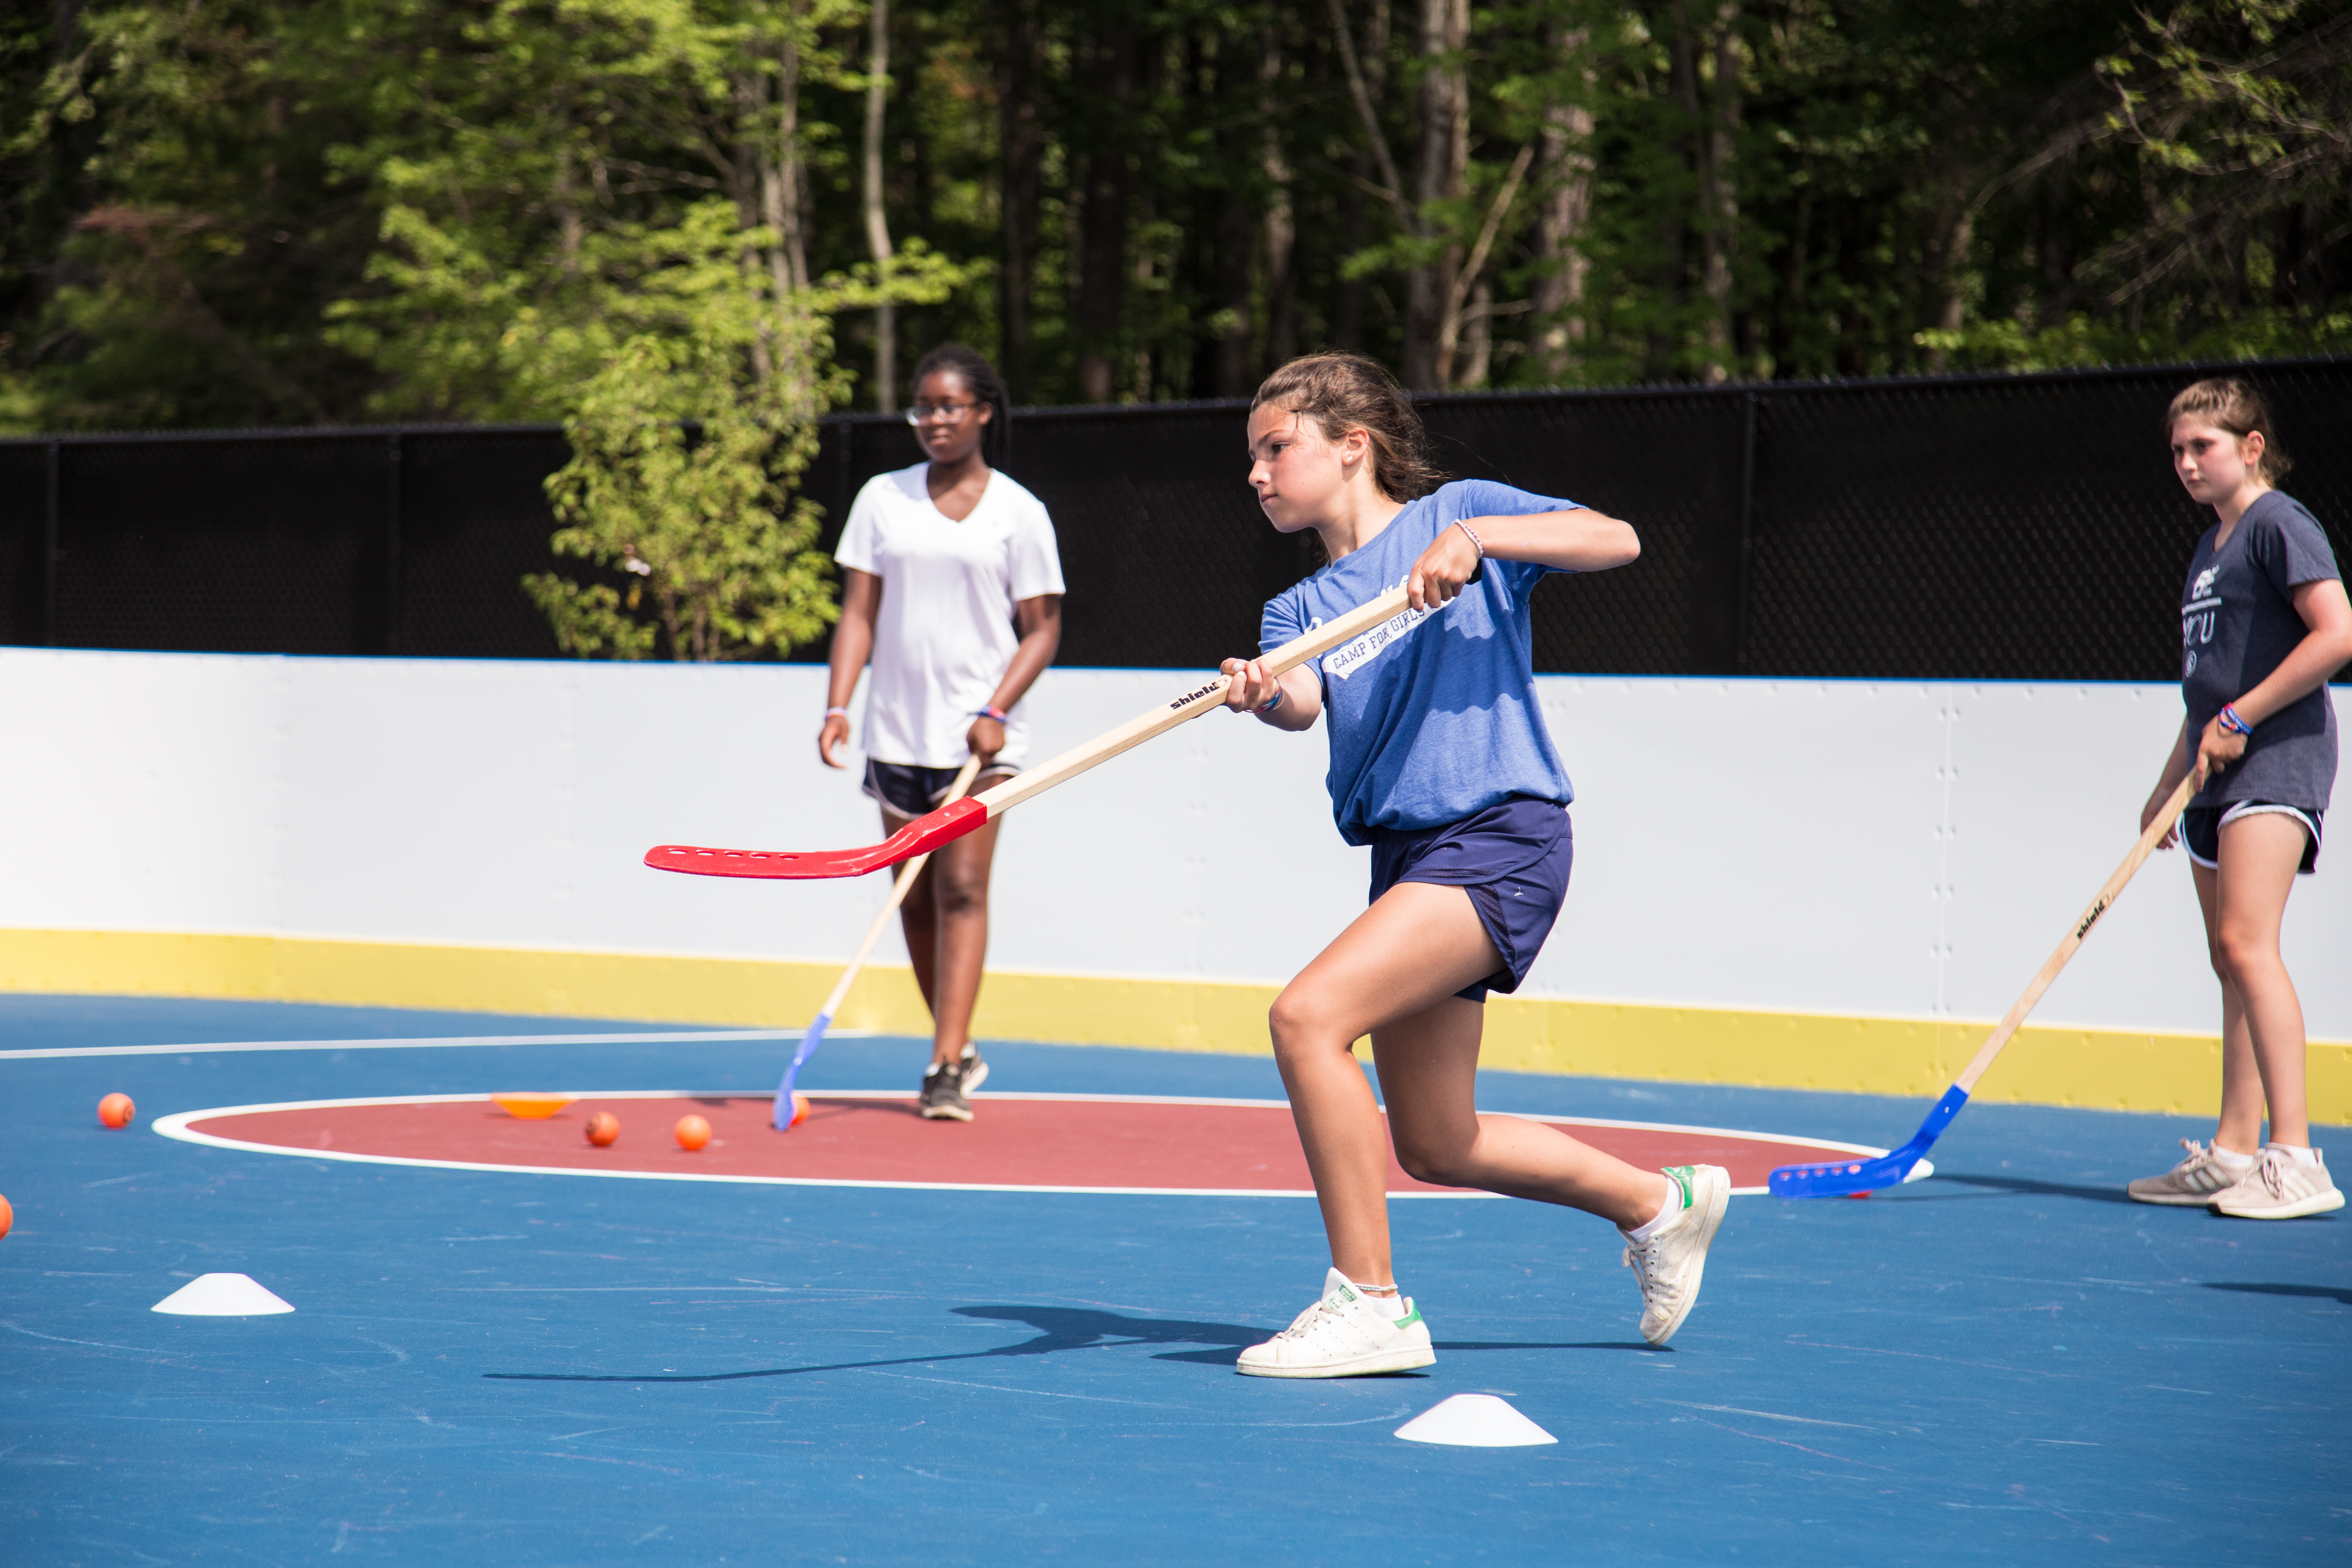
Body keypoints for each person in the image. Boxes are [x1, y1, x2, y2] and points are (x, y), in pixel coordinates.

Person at [1215, 352, 1729, 1378]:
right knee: (1438, 1141)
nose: (1258, 473)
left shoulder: (1464, 513)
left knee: (1307, 1016)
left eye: (1277, 448)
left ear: (1350, 445)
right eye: (1253, 458)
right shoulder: (1299, 608)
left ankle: (1372, 1305)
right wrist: (1261, 689)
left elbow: (1617, 538)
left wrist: (1475, 539)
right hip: (1410, 856)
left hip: (1501, 835)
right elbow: (1305, 702)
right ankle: (1657, 1204)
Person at [819, 344, 1065, 1121]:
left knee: (962, 890)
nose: (933, 421)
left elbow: (1042, 629)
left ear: (982, 411)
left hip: (983, 747)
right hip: (895, 735)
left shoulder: (1019, 513)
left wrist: (995, 711)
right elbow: (858, 613)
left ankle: (940, 1069)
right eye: (922, 407)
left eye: (949, 407)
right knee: (915, 899)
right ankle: (956, 1045)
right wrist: (838, 706)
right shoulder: (881, 500)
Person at [2128, 379, 2352, 1218]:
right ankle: (2233, 1150)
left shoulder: (2278, 524)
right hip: (2213, 773)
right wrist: (2166, 782)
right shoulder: (2209, 547)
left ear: (2251, 447)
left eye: (2204, 447)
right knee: (2229, 957)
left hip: (2276, 762)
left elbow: (2337, 633)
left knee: (2246, 944)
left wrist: (2239, 717)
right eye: (2178, 451)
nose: (2187, 463)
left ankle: (2296, 1159)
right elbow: (2208, 689)